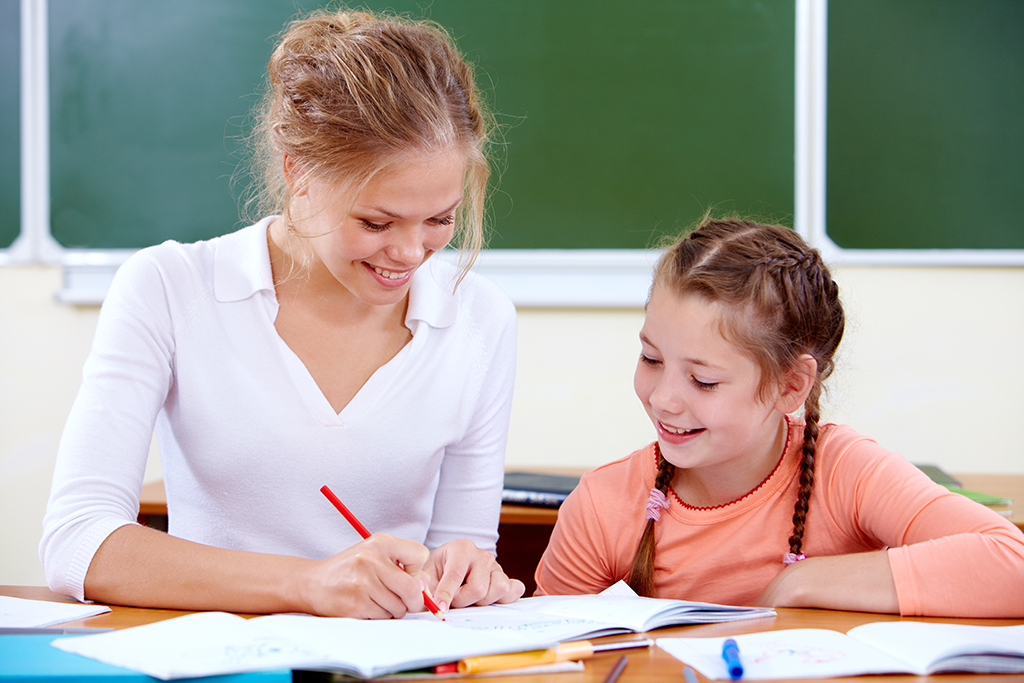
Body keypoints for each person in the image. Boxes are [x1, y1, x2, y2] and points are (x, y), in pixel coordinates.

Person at [40, 8, 525, 619]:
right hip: (221, 660)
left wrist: (468, 573)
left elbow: (463, 551)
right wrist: (308, 584)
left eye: (438, 220)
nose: (409, 255)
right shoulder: (170, 288)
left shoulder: (481, 321)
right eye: (375, 222)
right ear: (298, 173)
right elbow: (77, 542)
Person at [534, 217, 1024, 617]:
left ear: (791, 386)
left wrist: (804, 580)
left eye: (704, 381)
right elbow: (541, 660)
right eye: (651, 359)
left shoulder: (845, 473)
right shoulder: (604, 506)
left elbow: (1011, 563)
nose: (664, 399)